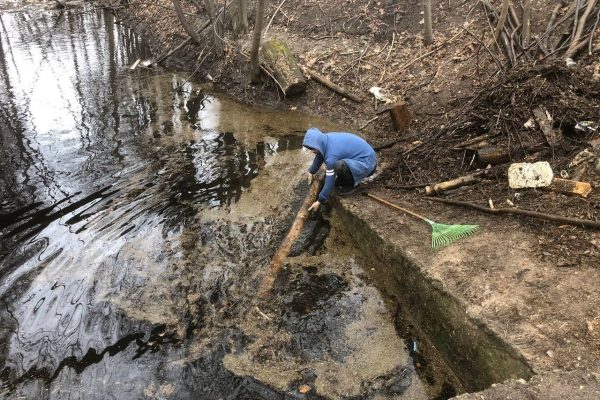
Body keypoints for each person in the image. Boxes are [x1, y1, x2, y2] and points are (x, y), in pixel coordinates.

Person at [302, 127, 377, 212]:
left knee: (338, 166)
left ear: (319, 143)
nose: (312, 151)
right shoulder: (325, 139)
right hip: (367, 158)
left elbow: (330, 178)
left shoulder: (331, 156)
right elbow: (320, 154)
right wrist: (312, 171)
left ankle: (352, 185)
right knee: (337, 170)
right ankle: (345, 180)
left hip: (367, 164)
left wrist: (320, 200)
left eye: (313, 148)